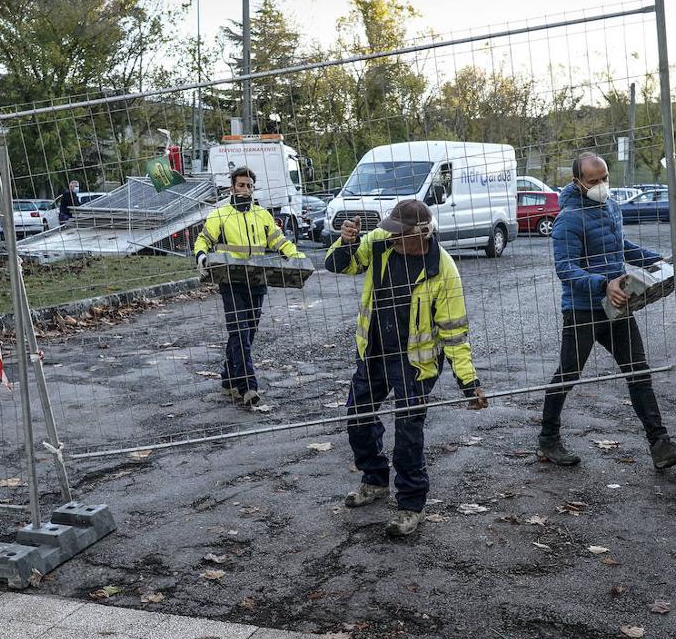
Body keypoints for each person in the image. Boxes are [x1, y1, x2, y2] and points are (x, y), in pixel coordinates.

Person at [325, 200, 488, 538]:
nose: (391, 236)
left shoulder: (443, 271)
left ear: (421, 233)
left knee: (408, 434)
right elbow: (338, 266)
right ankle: (374, 479)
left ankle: (411, 504)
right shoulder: (381, 243)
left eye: (399, 233)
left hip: (416, 363)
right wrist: (347, 242)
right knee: (357, 416)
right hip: (374, 352)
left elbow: (455, 334)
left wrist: (468, 381)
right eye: (391, 230)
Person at [540, 153, 676, 470]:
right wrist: (603, 285)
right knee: (568, 374)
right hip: (583, 311)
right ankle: (548, 439)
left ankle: (661, 445)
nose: (601, 185)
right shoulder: (568, 219)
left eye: (604, 178)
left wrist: (660, 263)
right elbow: (565, 269)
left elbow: (620, 248)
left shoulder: (610, 207)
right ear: (577, 182)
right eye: (593, 181)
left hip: (617, 308)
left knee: (639, 372)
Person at [193, 166, 305, 406]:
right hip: (231, 282)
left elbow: (279, 241)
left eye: (250, 186)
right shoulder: (219, 215)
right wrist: (201, 256)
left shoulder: (262, 215)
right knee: (240, 333)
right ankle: (248, 387)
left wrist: (296, 258)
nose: (246, 190)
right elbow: (204, 239)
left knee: (247, 334)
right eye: (241, 185)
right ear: (232, 187)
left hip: (257, 281)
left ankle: (227, 378)